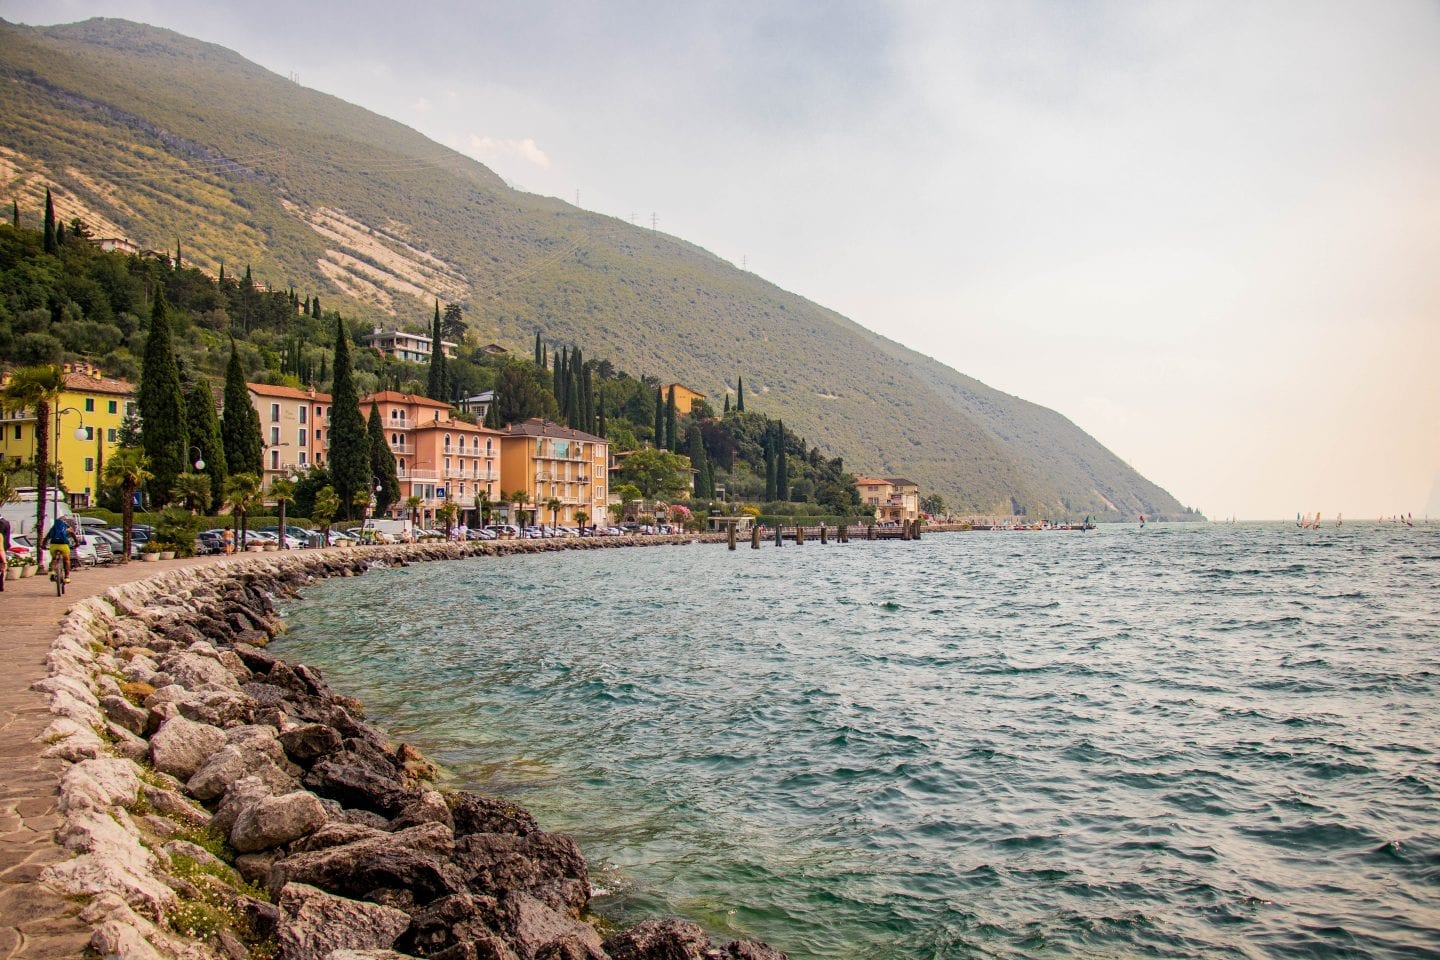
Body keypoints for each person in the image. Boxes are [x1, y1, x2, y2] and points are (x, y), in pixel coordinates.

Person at [46, 515, 74, 582]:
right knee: (66, 560)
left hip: (53, 545)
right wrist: (77, 543)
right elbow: (73, 535)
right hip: (63, 545)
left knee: (54, 558)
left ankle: (52, 571)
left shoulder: (54, 528)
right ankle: (67, 577)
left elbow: (47, 537)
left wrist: (43, 545)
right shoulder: (67, 528)